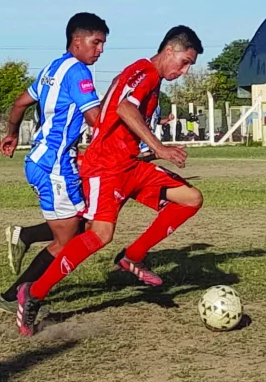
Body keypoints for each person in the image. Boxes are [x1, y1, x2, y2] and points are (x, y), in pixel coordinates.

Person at [15, 25, 205, 336]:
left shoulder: (150, 79)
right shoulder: (144, 71)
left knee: (190, 198)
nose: (184, 71)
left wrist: (144, 151)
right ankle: (32, 293)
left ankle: (132, 257)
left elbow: (113, 112)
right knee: (99, 235)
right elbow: (124, 107)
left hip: (130, 165)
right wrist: (160, 148)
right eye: (184, 62)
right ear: (169, 51)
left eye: (189, 66)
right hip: (106, 167)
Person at [0, 12, 108, 313]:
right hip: (55, 166)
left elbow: (20, 103)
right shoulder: (79, 72)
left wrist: (12, 134)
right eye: (96, 42)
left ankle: (26, 235)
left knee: (82, 225)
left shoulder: (53, 67)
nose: (100, 50)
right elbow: (97, 120)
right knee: (69, 240)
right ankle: (15, 297)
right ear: (77, 40)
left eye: (102, 44)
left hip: (40, 160)